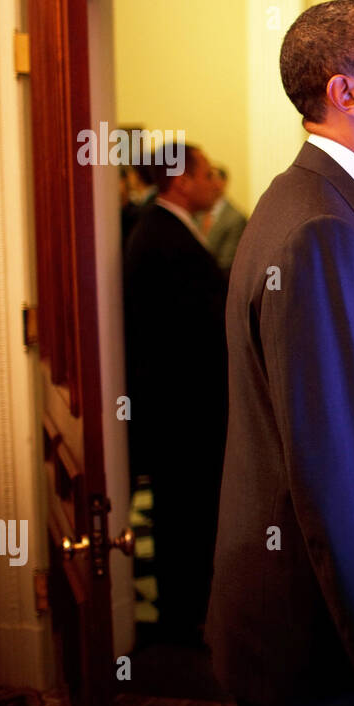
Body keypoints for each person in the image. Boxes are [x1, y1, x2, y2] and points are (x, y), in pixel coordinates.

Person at [205, 0, 354, 706]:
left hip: (321, 622)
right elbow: (336, 472)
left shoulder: (330, 207)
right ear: (345, 94)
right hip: (313, 642)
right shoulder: (317, 230)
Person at [123, 142, 227, 646]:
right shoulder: (160, 236)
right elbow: (189, 328)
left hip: (183, 408)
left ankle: (189, 611)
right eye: (206, 174)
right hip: (180, 411)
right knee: (184, 514)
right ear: (180, 181)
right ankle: (184, 620)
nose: (214, 182)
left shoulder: (169, 230)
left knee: (189, 511)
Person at [199, 165, 248, 272]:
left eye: (211, 177)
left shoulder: (236, 218)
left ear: (223, 183)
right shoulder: (197, 212)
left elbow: (227, 262)